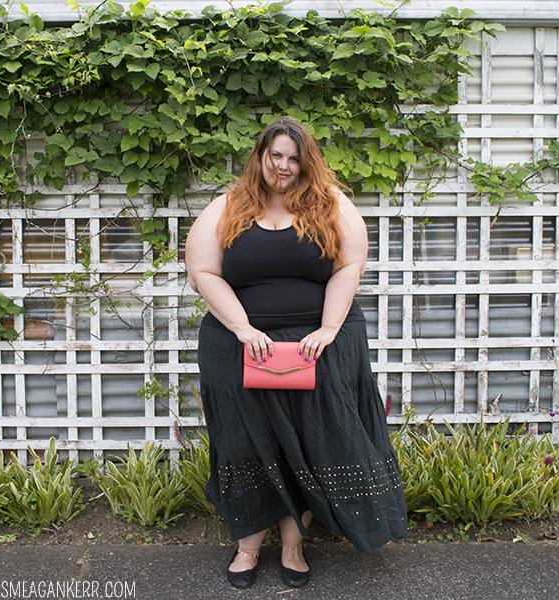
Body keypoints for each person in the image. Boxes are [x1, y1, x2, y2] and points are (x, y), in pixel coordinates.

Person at [185, 117, 407, 589]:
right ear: (260, 156)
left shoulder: (331, 205)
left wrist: (328, 327)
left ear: (306, 162)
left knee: (314, 444)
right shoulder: (226, 207)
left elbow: (350, 264)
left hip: (320, 347)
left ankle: (292, 545)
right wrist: (244, 328)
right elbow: (203, 271)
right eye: (275, 156)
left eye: (293, 158)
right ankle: (248, 547)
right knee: (246, 443)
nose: (283, 167)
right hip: (238, 344)